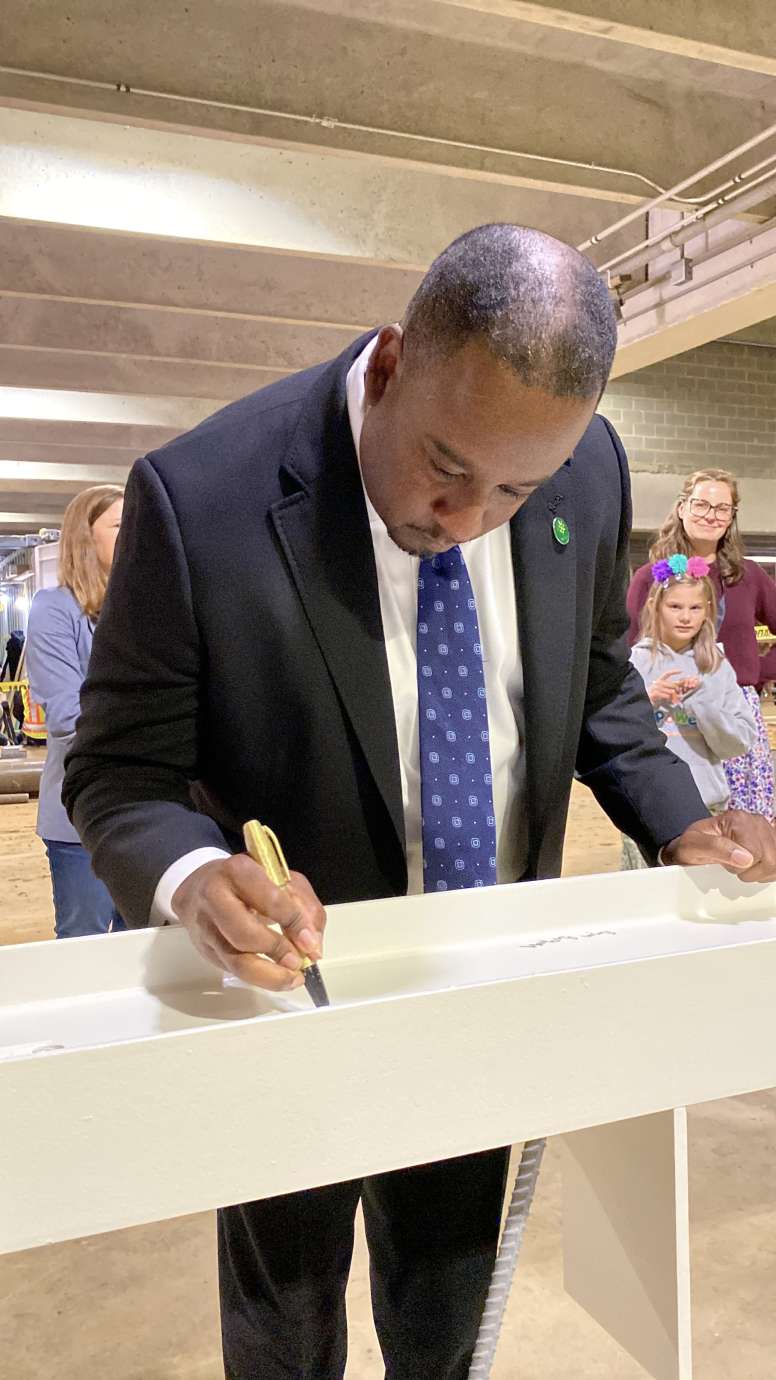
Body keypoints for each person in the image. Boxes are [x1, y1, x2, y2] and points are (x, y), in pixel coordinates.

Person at [63, 225, 776, 1380]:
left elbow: (595, 691)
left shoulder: (585, 471)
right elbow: (117, 773)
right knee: (286, 1321)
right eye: (446, 467)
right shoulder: (202, 500)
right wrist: (195, 881)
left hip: (476, 990)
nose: (471, 516)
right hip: (288, 998)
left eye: (515, 487)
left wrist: (679, 814)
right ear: (389, 367)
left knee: (445, 1310)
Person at [627, 470, 776, 820]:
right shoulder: (651, 577)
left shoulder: (749, 575)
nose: (711, 515)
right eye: (701, 504)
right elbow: (627, 651)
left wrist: (756, 671)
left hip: (732, 718)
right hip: (671, 716)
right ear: (682, 508)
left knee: (744, 831)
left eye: (722, 508)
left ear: (731, 517)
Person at [26, 485, 126, 939]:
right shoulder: (55, 609)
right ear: (86, 539)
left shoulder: (144, 605)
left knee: (146, 944)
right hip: (80, 818)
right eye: (121, 525)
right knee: (83, 942)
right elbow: (67, 716)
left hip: (148, 814)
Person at [622, 554, 757, 868]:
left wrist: (701, 705)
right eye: (675, 607)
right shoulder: (634, 664)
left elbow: (737, 742)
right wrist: (648, 700)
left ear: (707, 611)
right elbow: (617, 740)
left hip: (708, 808)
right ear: (655, 605)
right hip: (647, 811)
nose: (685, 617)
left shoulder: (716, 667)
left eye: (695, 608)